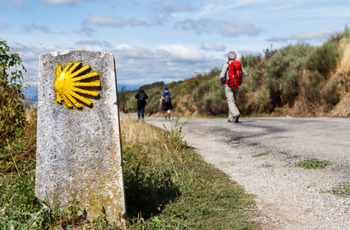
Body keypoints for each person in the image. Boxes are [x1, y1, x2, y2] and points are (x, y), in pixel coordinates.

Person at [219, 51, 247, 123]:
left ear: (228, 57)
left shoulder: (226, 64)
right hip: (237, 85)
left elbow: (222, 76)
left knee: (230, 101)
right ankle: (230, 118)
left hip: (228, 85)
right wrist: (239, 80)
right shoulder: (239, 64)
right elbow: (244, 74)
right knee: (233, 101)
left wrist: (222, 81)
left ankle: (235, 113)